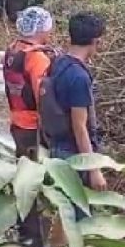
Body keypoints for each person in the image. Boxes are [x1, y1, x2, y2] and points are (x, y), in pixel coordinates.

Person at [2, 6, 56, 245]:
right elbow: (42, 96)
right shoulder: (37, 58)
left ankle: (24, 227)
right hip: (33, 127)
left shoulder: (12, 51)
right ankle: (35, 236)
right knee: (35, 181)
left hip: (16, 120)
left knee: (22, 176)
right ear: (43, 28)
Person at [39, 11, 106, 194]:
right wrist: (94, 169)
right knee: (80, 213)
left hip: (56, 148)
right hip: (74, 156)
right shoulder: (79, 77)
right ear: (96, 41)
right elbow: (80, 127)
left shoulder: (58, 63)